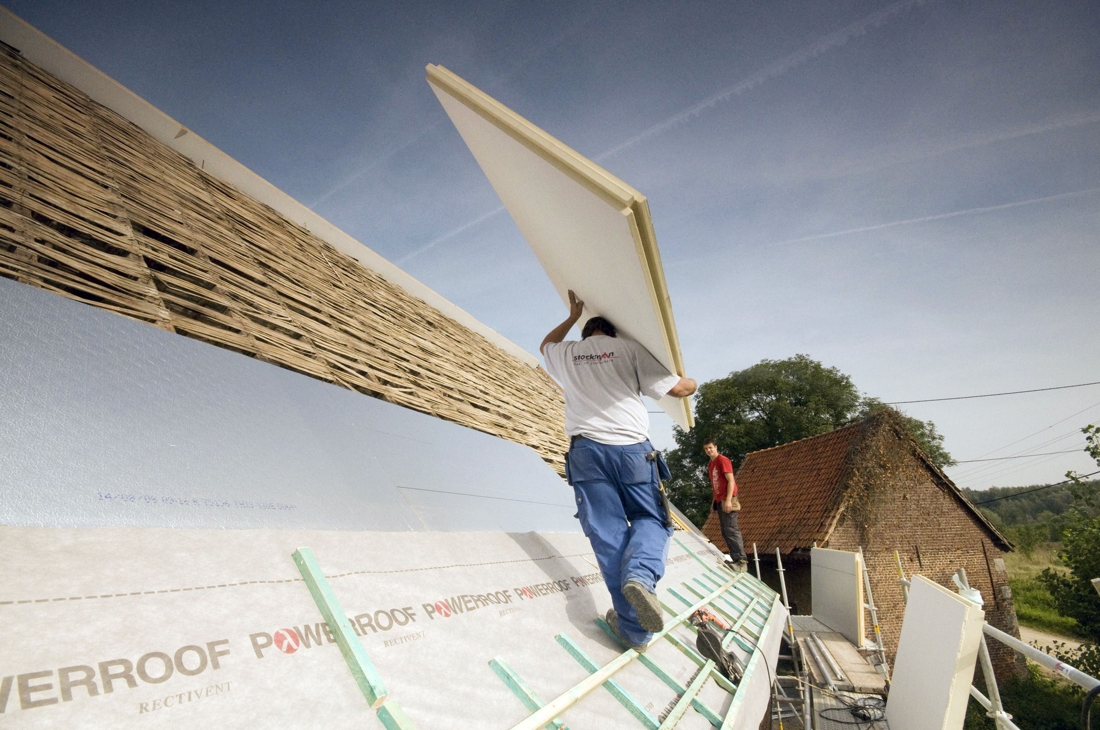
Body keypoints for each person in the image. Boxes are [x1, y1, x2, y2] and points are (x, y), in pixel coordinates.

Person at [541, 290, 697, 651]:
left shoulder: (567, 353)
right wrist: (691, 381)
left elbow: (546, 344)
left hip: (587, 453)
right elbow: (678, 389)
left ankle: (634, 631)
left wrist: (571, 314)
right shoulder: (628, 349)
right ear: (611, 333)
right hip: (632, 453)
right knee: (652, 519)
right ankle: (640, 576)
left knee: (608, 533)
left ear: (585, 334)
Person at [703, 439, 747, 571]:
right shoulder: (711, 465)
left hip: (728, 499)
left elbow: (731, 480)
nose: (708, 450)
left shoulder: (722, 460)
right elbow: (715, 485)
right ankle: (735, 559)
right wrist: (714, 502)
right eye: (706, 449)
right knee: (725, 530)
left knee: (731, 529)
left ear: (716, 447)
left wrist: (728, 500)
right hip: (719, 500)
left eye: (710, 447)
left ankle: (741, 561)